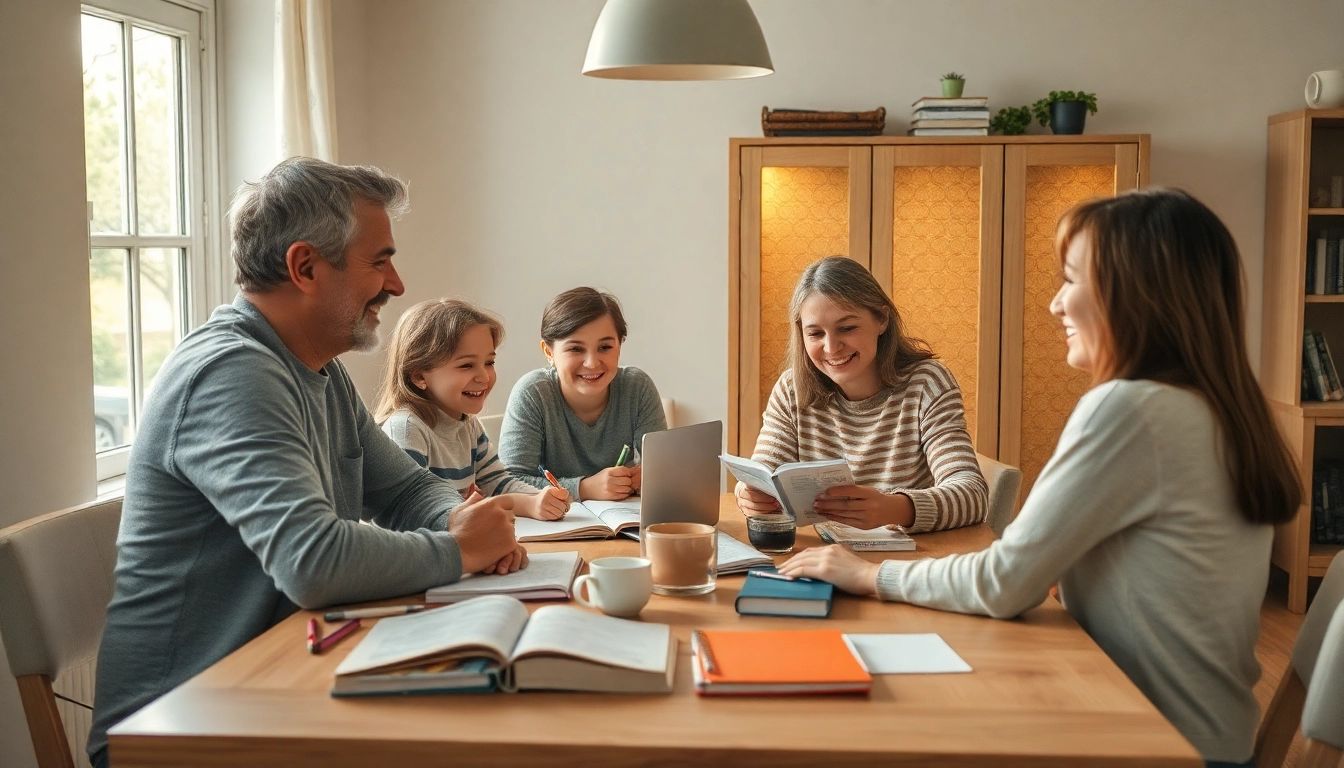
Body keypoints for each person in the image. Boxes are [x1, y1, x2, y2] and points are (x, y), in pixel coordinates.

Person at [778, 190, 1300, 768]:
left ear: (1134, 294)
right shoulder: (1213, 404)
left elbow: (1004, 581)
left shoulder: (1132, 410)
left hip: (1153, 742)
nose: (1054, 304)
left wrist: (867, 574)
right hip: (1200, 731)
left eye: (1071, 279)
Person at [88, 158, 524, 768]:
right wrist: (462, 550)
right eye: (379, 261)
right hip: (179, 729)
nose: (397, 285)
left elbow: (404, 493)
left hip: (281, 677)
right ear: (305, 267)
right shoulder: (232, 374)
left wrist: (457, 517)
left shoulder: (319, 369)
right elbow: (312, 562)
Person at [735, 256, 987, 532]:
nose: (831, 348)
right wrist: (748, 495)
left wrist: (896, 508)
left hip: (908, 563)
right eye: (816, 333)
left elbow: (973, 495)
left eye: (847, 328)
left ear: (881, 319)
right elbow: (761, 474)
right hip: (822, 558)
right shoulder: (791, 389)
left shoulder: (927, 383)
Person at [375, 298, 570, 520]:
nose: (484, 377)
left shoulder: (468, 424)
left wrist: (539, 499)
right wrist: (506, 504)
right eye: (466, 365)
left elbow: (497, 483)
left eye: (489, 362)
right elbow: (413, 513)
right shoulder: (407, 429)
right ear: (419, 375)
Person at [498, 287, 666, 501]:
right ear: (549, 352)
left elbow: (662, 470)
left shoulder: (637, 387)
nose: (592, 362)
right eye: (576, 349)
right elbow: (509, 482)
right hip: (555, 526)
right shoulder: (533, 393)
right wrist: (584, 488)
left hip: (624, 524)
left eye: (605, 347)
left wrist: (650, 477)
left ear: (619, 347)